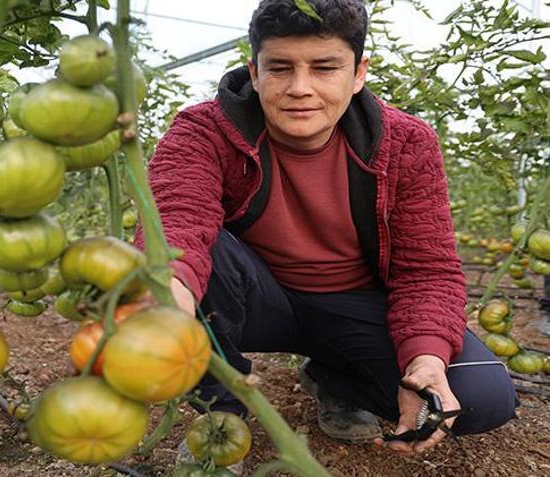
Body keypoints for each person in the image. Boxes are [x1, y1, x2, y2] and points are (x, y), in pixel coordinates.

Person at [137, 0, 519, 460]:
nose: (301, 88)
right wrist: (168, 302)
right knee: (188, 261)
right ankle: (221, 416)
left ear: (358, 73)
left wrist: (426, 358)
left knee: (481, 396)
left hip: (355, 308)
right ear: (254, 73)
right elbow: (179, 220)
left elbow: (426, 268)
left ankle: (337, 380)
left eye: (324, 67)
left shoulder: (406, 143)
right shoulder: (204, 130)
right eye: (279, 68)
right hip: (259, 301)